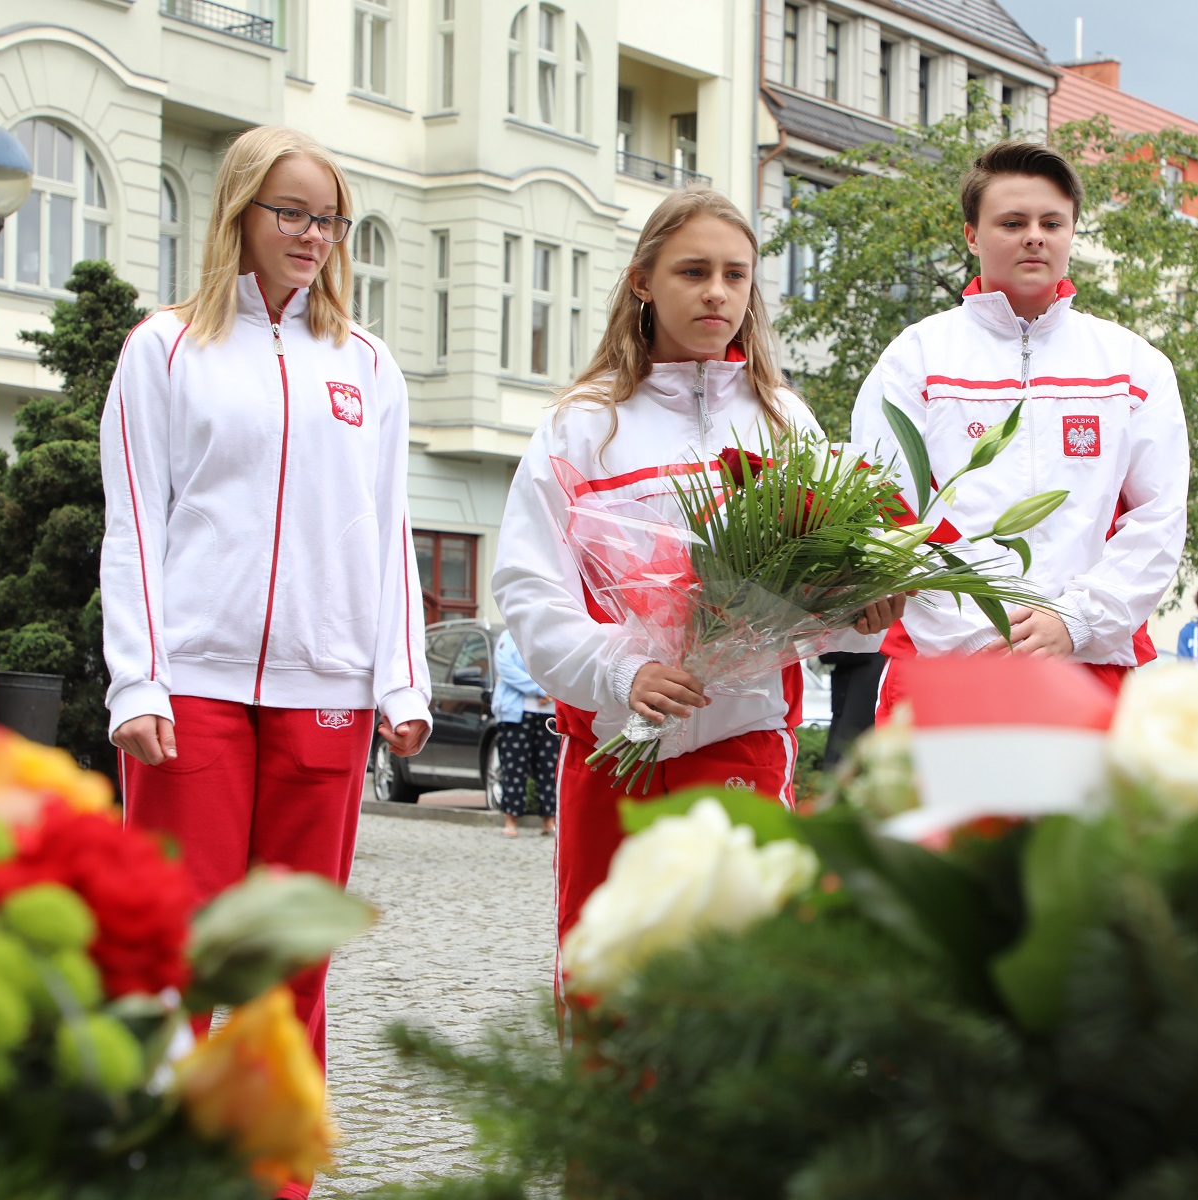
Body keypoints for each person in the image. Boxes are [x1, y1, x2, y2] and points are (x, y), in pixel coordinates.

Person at [98, 125, 429, 1198]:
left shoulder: (367, 364)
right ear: (238, 210)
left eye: (329, 218)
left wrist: (401, 678)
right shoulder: (164, 349)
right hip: (190, 689)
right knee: (177, 953)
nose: (312, 235)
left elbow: (388, 530)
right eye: (291, 211)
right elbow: (135, 522)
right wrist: (137, 677)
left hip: (324, 690)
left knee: (291, 963)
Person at [492, 187, 899, 951]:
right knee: (609, 964)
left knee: (741, 972)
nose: (717, 292)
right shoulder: (583, 423)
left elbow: (818, 582)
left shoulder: (783, 420)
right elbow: (528, 585)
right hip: (615, 744)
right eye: (693, 271)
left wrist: (861, 612)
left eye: (735, 275)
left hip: (744, 735)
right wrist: (620, 672)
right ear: (642, 281)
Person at [851, 140, 1189, 717]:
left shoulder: (1133, 365)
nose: (1035, 236)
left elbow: (1159, 519)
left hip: (1087, 665)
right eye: (1012, 223)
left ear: (1071, 232)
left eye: (1051, 223)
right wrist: (978, 638)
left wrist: (1075, 620)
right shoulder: (916, 357)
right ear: (971, 235)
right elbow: (885, 511)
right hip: (944, 669)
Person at [492, 628, 558, 838]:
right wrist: (539, 689)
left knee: (549, 768)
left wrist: (551, 690)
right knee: (514, 766)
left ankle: (549, 819)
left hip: (549, 713)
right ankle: (511, 818)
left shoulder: (555, 633)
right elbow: (505, 667)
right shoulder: (509, 635)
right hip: (515, 712)